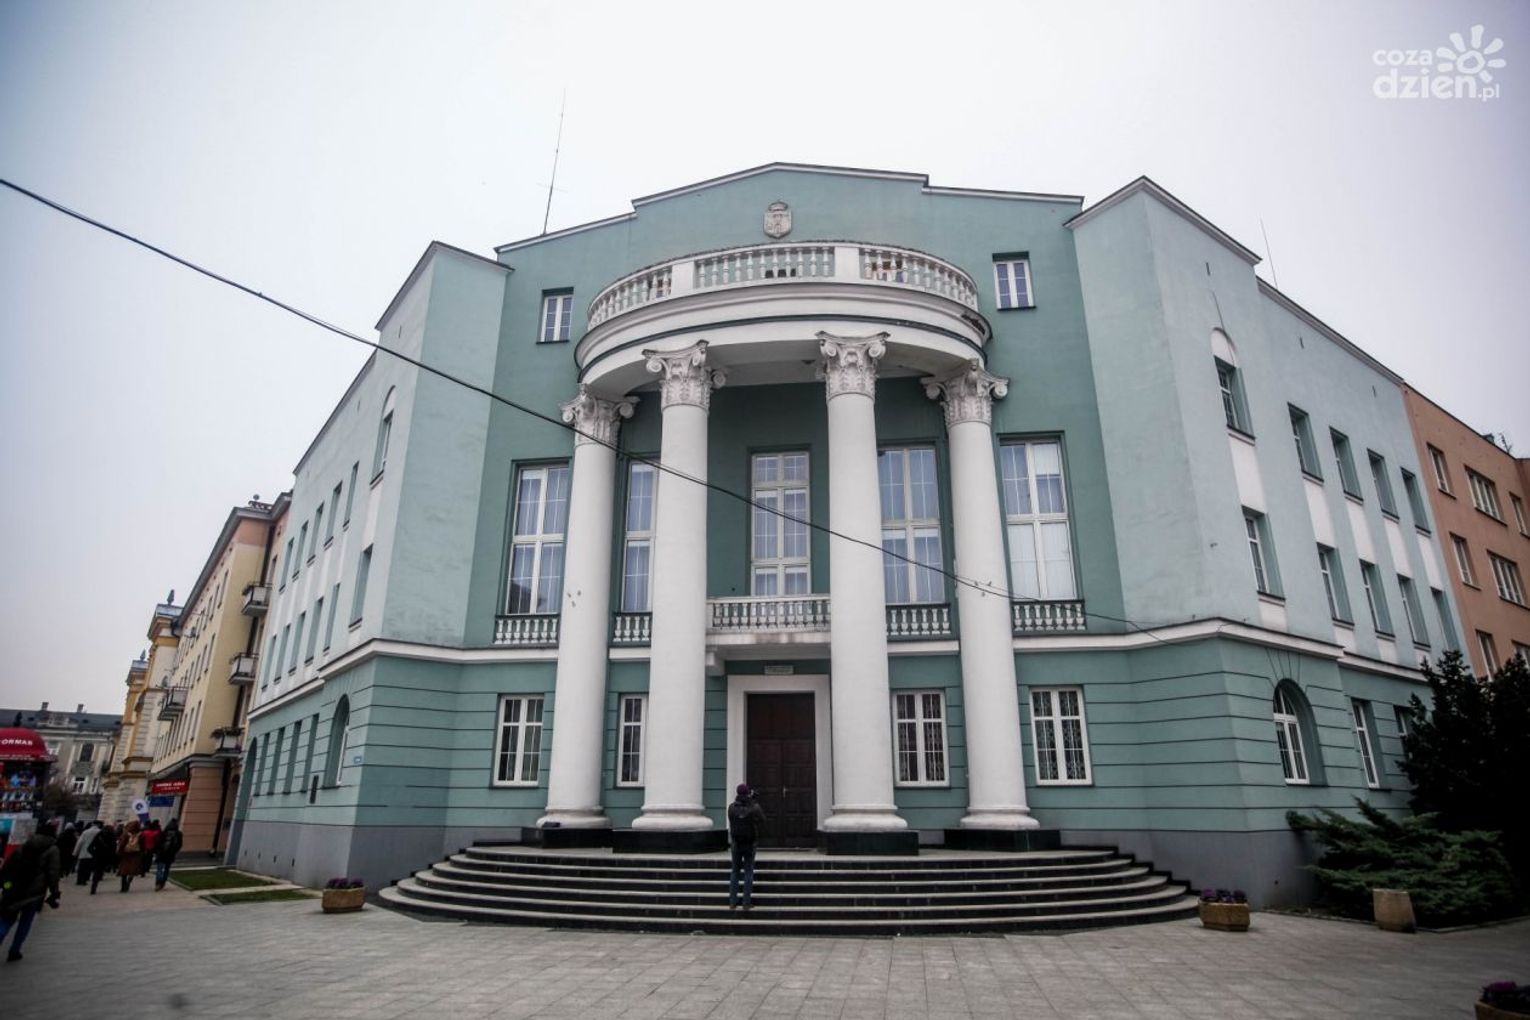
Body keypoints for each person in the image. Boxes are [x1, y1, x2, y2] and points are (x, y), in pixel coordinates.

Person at [1, 818, 61, 963]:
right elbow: (53, 872)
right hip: (34, 892)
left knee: (7, 918)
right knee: (25, 922)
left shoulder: (23, 846)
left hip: (15, 889)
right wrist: (55, 892)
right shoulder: (53, 850)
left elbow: (7, 868)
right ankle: (15, 950)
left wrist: (6, 885)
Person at [726, 783, 766, 911]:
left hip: (736, 843)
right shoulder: (754, 807)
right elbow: (762, 820)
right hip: (750, 843)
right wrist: (752, 801)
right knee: (748, 872)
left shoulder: (731, 808)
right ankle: (746, 903)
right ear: (748, 793)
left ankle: (732, 902)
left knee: (735, 872)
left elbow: (732, 819)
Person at [86, 823, 118, 894]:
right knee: (100, 870)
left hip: (98, 855)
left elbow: (90, 847)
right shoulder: (112, 836)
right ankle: (96, 882)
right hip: (106, 856)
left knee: (97, 870)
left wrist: (94, 854)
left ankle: (94, 885)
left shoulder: (99, 835)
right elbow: (114, 848)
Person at [116, 820, 146, 892]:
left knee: (124, 869)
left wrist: (120, 851)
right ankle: (129, 881)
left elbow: (122, 844)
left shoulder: (126, 834)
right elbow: (142, 845)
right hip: (136, 853)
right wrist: (142, 852)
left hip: (126, 853)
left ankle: (123, 886)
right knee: (133, 869)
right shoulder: (141, 834)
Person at [154, 818, 183, 891]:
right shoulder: (178, 834)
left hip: (161, 853)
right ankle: (163, 883)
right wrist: (175, 851)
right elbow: (179, 845)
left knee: (159, 869)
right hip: (170, 854)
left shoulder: (164, 832)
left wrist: (157, 851)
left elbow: (158, 843)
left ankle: (158, 883)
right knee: (166, 869)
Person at [74, 821, 102, 887]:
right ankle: (85, 880)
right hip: (94, 852)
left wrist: (75, 852)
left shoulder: (85, 832)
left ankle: (79, 880)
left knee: (81, 867)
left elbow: (80, 842)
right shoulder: (100, 832)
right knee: (88, 867)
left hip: (83, 852)